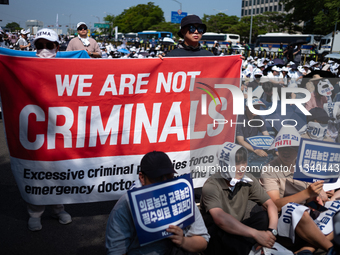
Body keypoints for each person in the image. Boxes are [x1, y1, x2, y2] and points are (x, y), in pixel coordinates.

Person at [105, 151, 209, 255]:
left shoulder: (182, 195)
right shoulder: (126, 205)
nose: (164, 182)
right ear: (142, 178)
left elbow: (203, 241)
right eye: (157, 178)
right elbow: (115, 251)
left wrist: (183, 241)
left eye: (169, 177)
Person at [260, 126, 334, 255]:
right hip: (283, 216)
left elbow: (313, 197)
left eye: (291, 148)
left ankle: (307, 249)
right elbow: (274, 205)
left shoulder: (306, 165)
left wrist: (317, 195)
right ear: (277, 149)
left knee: (335, 207)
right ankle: (331, 248)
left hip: (308, 209)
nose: (286, 152)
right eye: (283, 148)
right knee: (298, 211)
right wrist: (307, 193)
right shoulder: (269, 169)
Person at [27, 28, 72, 231]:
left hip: (62, 129)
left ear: (57, 47)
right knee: (37, 171)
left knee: (60, 170)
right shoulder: (23, 67)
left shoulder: (70, 66)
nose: (44, 49)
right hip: (36, 130)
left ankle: (58, 208)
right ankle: (35, 213)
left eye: (48, 45)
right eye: (39, 45)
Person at [200, 142, 278, 255]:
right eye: (236, 163)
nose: (242, 167)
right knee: (218, 230)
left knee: (264, 217)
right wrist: (256, 234)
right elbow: (220, 219)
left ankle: (257, 247)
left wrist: (271, 232)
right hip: (216, 237)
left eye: (244, 161)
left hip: (238, 230)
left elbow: (270, 205)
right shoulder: (211, 185)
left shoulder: (248, 179)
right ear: (224, 164)